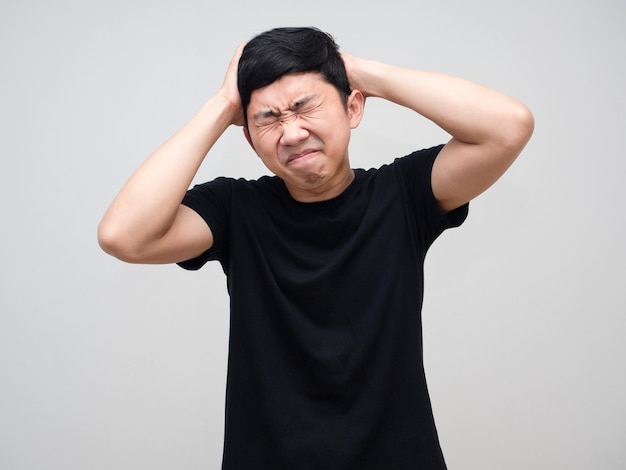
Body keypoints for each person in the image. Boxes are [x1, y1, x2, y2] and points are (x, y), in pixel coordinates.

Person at [98, 27, 533, 469]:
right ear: (249, 138)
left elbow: (508, 126)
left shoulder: (403, 193)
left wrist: (359, 72)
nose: (291, 133)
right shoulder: (234, 209)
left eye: (306, 107)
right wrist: (221, 107)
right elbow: (124, 235)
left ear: (353, 107)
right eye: (267, 119)